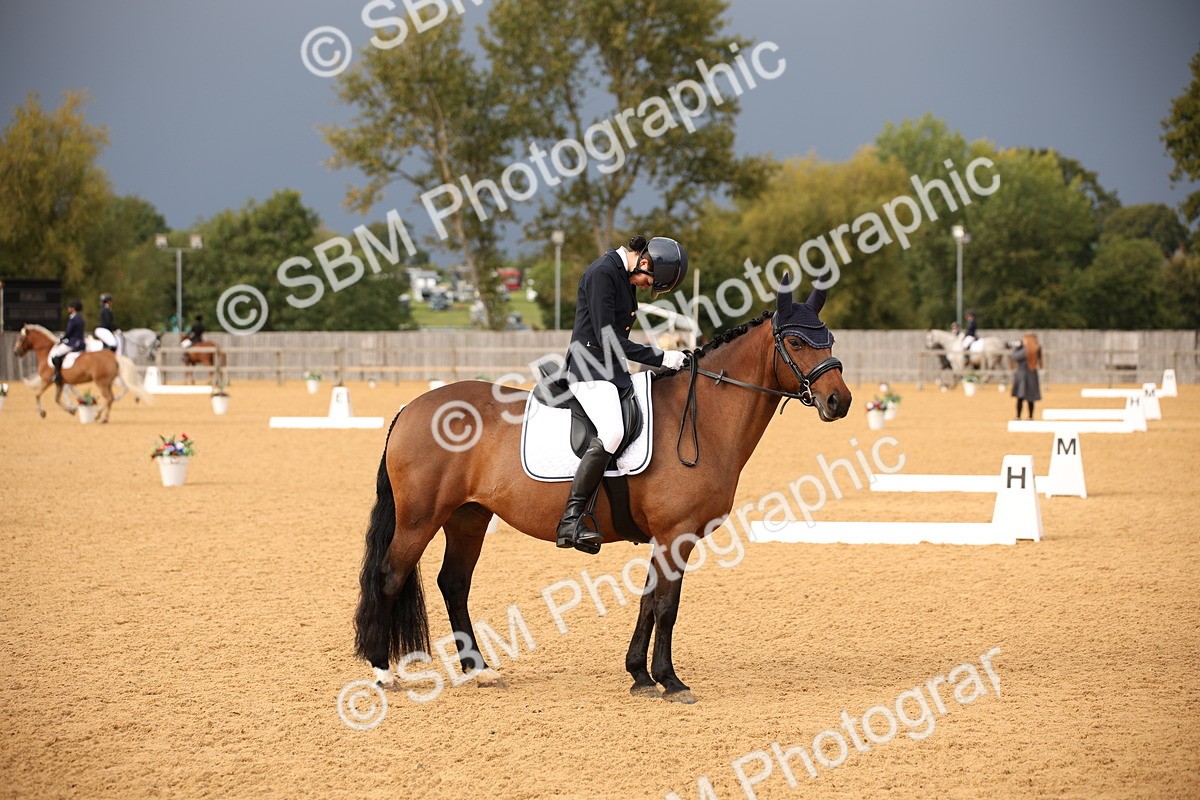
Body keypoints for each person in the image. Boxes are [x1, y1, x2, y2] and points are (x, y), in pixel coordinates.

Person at [555, 234, 689, 554]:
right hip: (588, 370)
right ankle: (571, 518)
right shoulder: (602, 273)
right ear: (645, 261)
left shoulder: (623, 276)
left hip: (612, 372)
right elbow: (607, 339)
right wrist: (661, 358)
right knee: (613, 430)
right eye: (649, 281)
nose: (646, 287)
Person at [49, 300, 86, 384]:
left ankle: (57, 375)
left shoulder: (72, 318)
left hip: (73, 342)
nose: (68, 309)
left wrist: (62, 339)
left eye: (69, 307)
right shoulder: (81, 318)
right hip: (81, 342)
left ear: (73, 309)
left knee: (56, 355)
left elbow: (69, 332)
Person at [1010, 332, 1042, 420]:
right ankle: (1030, 416)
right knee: (1030, 397)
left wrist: (1017, 348)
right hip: (1032, 375)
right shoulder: (1035, 349)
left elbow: (1014, 356)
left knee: (1020, 397)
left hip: (1023, 375)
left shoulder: (1025, 350)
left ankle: (1018, 416)